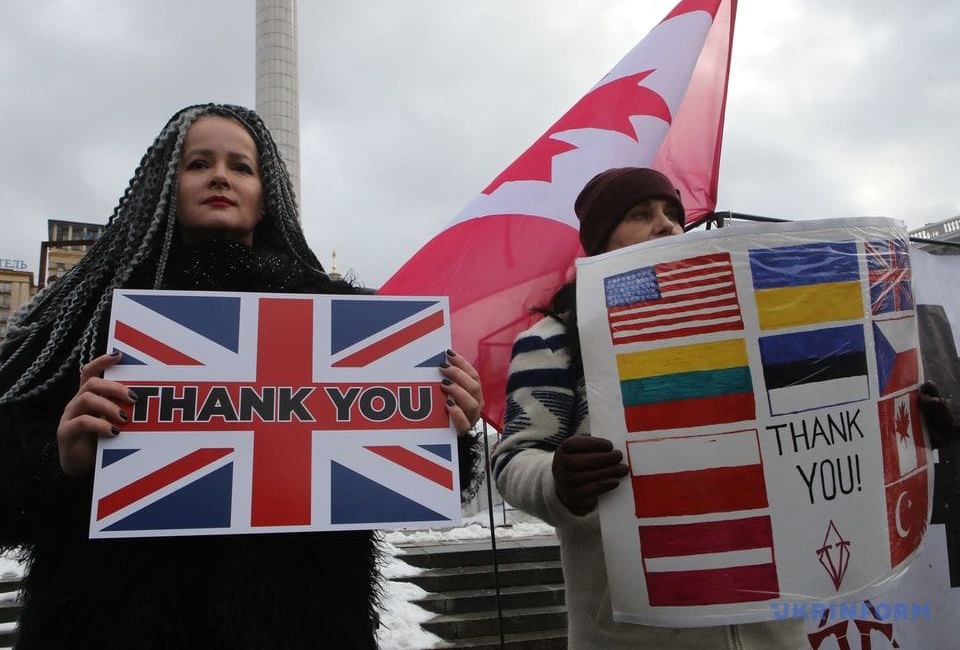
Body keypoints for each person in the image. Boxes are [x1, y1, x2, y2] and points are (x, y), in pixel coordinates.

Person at [0, 103, 484, 649]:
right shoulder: (83, 318)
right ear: (164, 186)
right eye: (197, 163)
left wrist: (449, 426)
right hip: (107, 624)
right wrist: (60, 463)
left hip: (301, 626)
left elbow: (408, 475)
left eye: (241, 166)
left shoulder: (342, 321)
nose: (219, 177)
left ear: (265, 195)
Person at [492, 166, 957, 649]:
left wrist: (909, 430)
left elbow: (820, 432)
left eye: (672, 213)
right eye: (640, 214)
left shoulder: (750, 319)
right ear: (600, 242)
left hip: (773, 630)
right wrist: (557, 481)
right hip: (635, 634)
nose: (666, 225)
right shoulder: (553, 341)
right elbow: (513, 460)